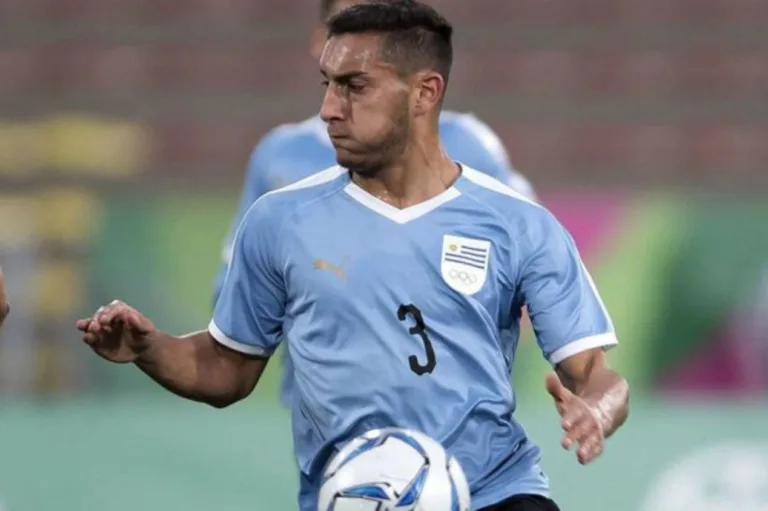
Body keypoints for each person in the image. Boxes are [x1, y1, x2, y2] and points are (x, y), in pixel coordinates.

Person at [77, 2, 629, 510]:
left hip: (496, 494)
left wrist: (597, 410)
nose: (327, 110)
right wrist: (151, 349)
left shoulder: (520, 224)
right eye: (327, 84)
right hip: (353, 497)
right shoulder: (279, 221)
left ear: (425, 92)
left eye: (353, 87)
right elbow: (228, 367)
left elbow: (596, 376)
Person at [214, 0, 536, 408]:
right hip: (329, 422)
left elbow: (529, 263)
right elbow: (239, 295)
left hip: (454, 416)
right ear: (322, 45)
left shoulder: (470, 145)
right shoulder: (280, 158)